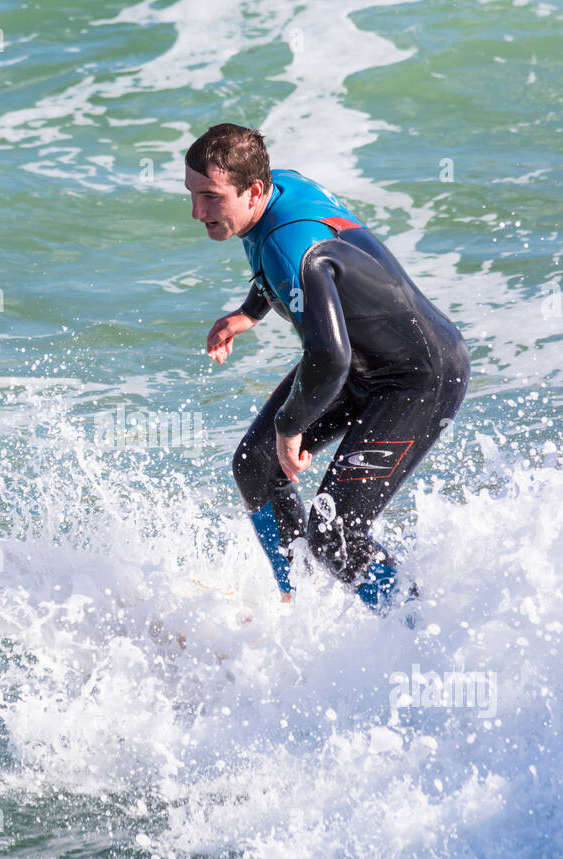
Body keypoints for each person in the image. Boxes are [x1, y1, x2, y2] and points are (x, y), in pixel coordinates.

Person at [184, 123, 471, 607]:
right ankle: (301, 607)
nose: (197, 212)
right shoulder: (277, 191)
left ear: (254, 190)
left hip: (418, 376)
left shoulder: (291, 248)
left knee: (335, 533)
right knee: (255, 467)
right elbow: (290, 275)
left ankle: (421, 627)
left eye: (211, 197)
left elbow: (327, 356)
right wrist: (248, 313)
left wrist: (290, 427)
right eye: (192, 196)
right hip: (361, 360)